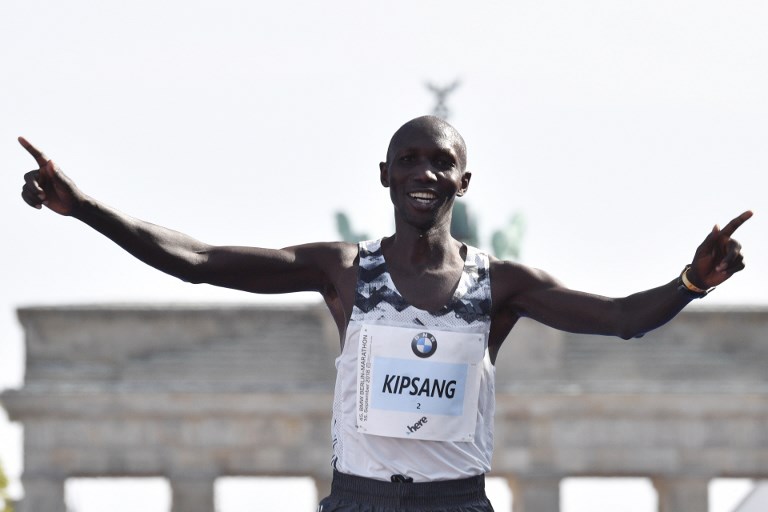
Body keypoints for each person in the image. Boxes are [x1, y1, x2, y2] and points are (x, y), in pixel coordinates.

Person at [19, 116, 751, 512]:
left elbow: (622, 318)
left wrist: (692, 281)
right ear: (384, 176)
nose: (423, 174)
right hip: (360, 503)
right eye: (408, 160)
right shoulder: (343, 270)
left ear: (464, 180)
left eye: (440, 162)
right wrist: (83, 208)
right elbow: (202, 261)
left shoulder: (503, 284)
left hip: (455, 506)